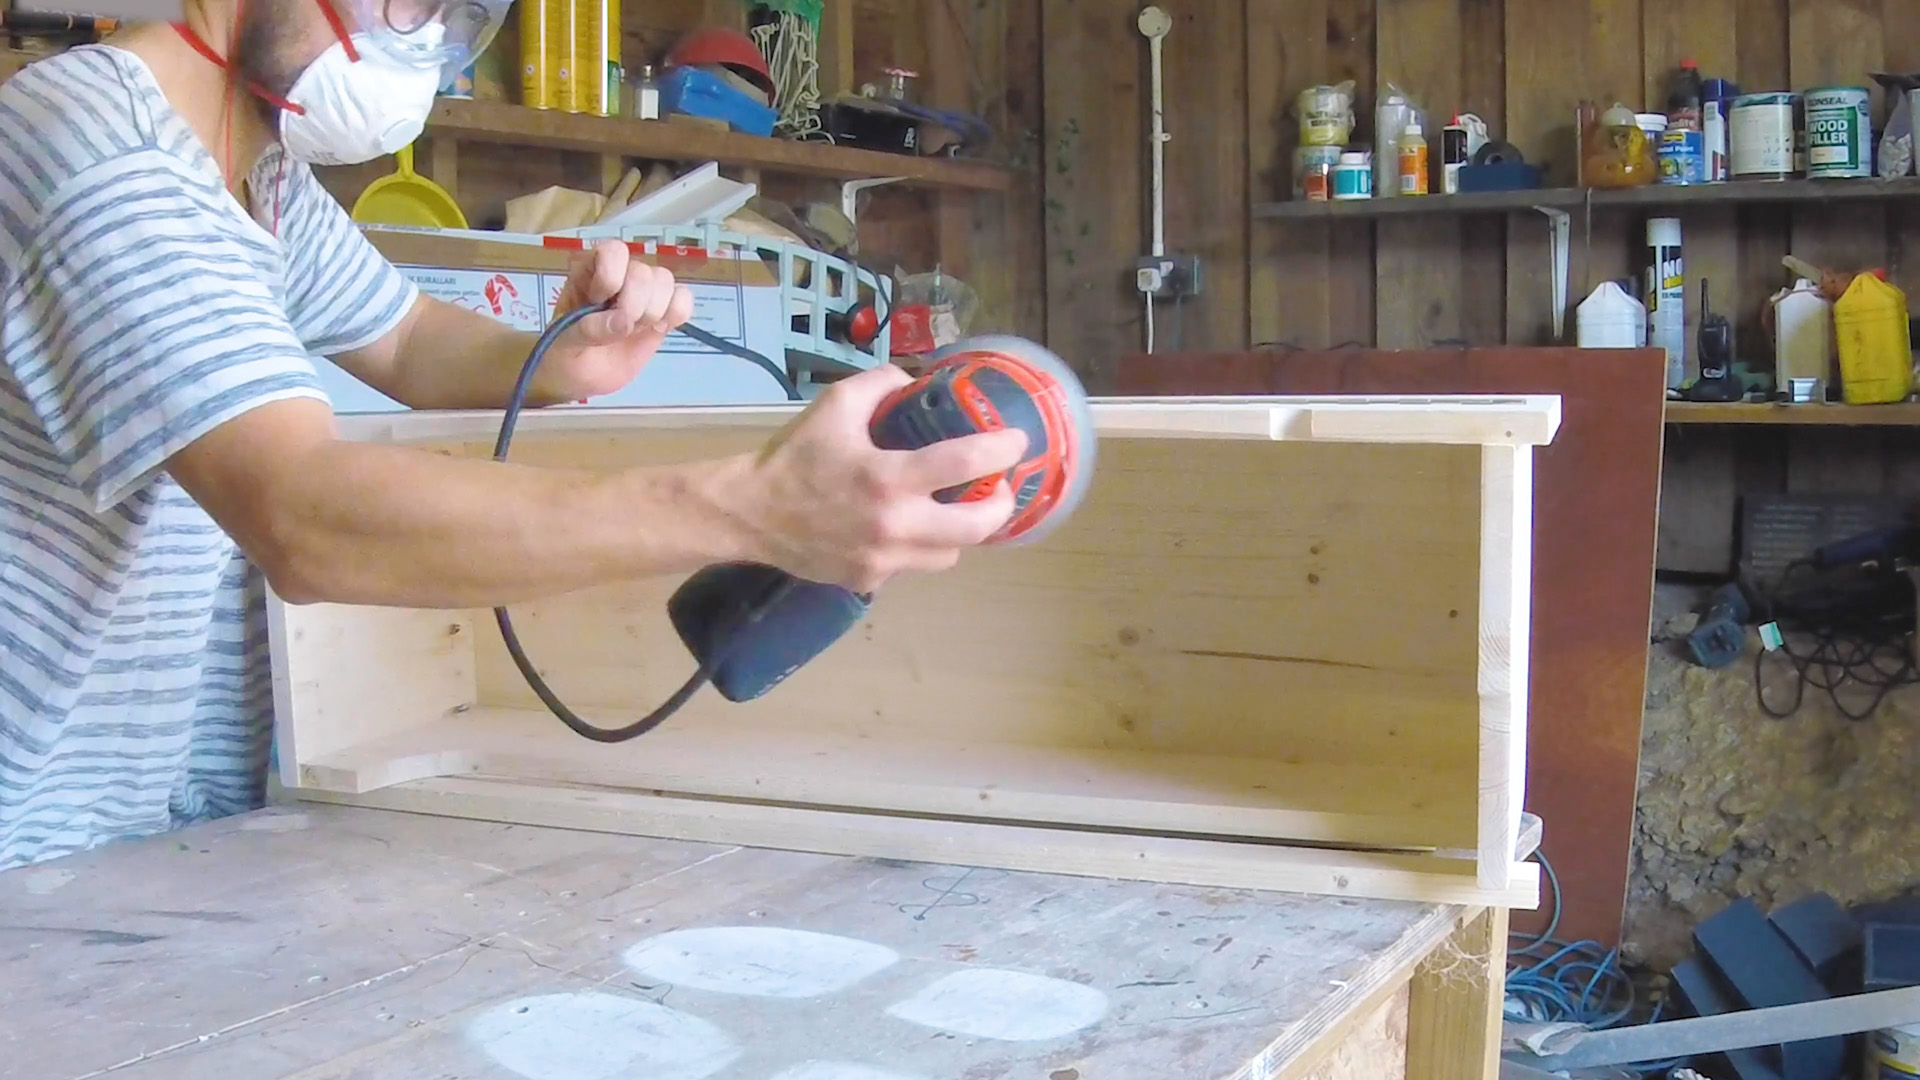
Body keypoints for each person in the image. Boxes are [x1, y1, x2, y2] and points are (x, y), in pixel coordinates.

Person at [0, 0, 1028, 871]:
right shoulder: (106, 157)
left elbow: (404, 337)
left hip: (139, 819)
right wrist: (759, 509)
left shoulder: (249, 165)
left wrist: (559, 354)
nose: (427, 38)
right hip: (34, 837)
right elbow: (301, 516)